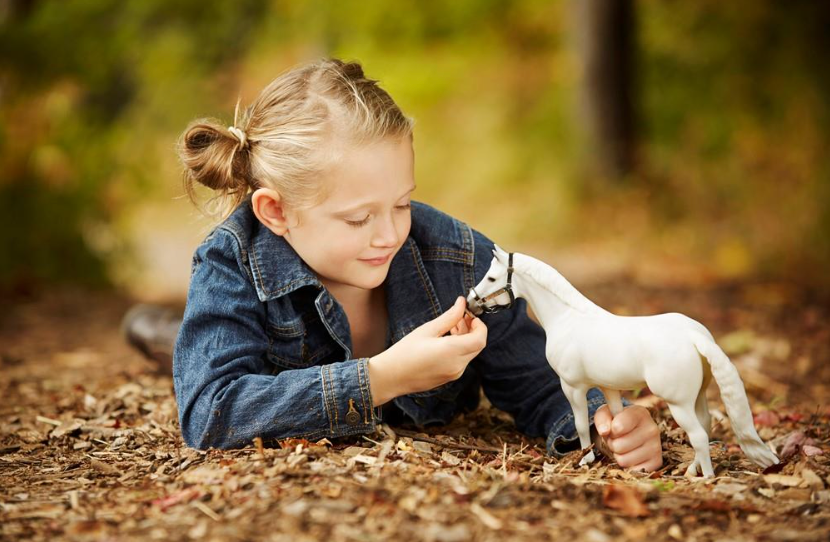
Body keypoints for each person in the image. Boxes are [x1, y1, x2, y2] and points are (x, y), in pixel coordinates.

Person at [123, 57, 662, 472]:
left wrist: (603, 420)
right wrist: (385, 376)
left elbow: (537, 379)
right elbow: (213, 413)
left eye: (401, 204)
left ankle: (173, 336)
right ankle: (171, 336)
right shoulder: (231, 260)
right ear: (276, 211)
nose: (389, 235)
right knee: (206, 357)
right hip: (252, 350)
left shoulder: (456, 255)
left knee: (207, 349)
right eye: (359, 219)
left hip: (274, 357)